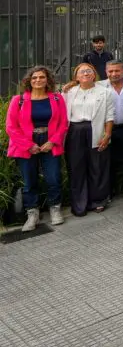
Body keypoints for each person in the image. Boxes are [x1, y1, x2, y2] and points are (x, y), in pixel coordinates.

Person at [6, 66, 69, 230]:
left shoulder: (56, 98)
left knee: (53, 178)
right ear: (29, 80)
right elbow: (11, 127)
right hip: (26, 144)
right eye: (34, 78)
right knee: (29, 180)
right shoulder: (18, 100)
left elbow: (63, 123)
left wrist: (53, 141)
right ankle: (32, 214)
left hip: (50, 142)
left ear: (47, 80)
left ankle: (55, 209)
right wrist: (29, 145)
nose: (38, 80)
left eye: (42, 77)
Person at [62, 63, 114, 216]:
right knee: (76, 167)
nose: (85, 73)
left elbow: (110, 115)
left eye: (89, 71)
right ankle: (79, 203)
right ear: (76, 76)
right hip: (74, 131)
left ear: (94, 74)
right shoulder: (69, 91)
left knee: (97, 166)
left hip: (95, 129)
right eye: (81, 71)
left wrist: (107, 134)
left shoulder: (104, 92)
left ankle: (98, 200)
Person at [104, 60, 123, 195]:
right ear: (106, 72)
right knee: (109, 162)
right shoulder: (100, 86)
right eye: (110, 71)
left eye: (117, 70)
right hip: (109, 130)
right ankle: (109, 192)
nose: (114, 74)